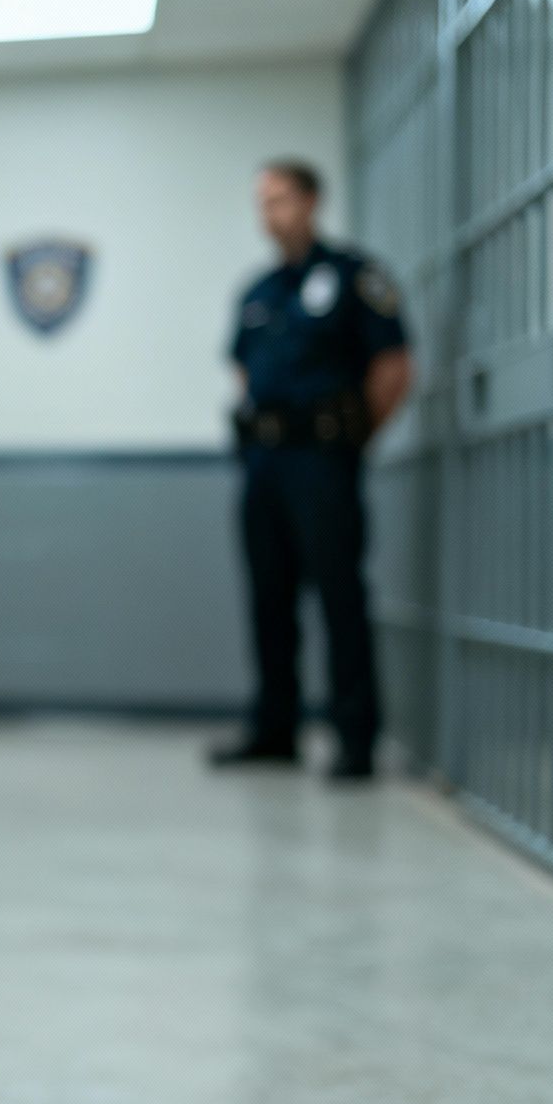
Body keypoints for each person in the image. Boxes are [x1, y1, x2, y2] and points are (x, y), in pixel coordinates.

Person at [210, 159, 412, 784]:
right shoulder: (257, 292)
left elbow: (393, 371)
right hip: (263, 462)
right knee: (269, 599)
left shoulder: (357, 277)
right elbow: (243, 373)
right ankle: (276, 730)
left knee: (339, 597)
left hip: (324, 459)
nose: (269, 213)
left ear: (312, 201)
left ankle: (355, 740)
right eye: (261, 202)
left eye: (280, 199)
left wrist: (348, 444)